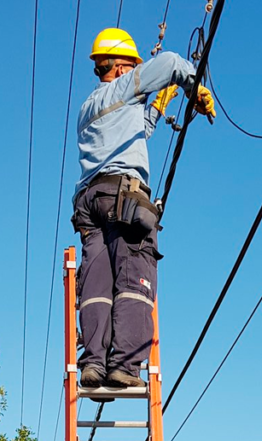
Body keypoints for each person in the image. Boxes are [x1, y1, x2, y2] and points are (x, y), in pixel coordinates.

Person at [72, 28, 215, 388]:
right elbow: (168, 63)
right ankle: (123, 366)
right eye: (133, 67)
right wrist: (192, 86)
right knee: (135, 275)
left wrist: (156, 108)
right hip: (123, 196)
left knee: (97, 285)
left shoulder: (88, 109)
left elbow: (130, 132)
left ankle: (93, 363)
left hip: (91, 203)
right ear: (121, 69)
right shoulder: (121, 88)